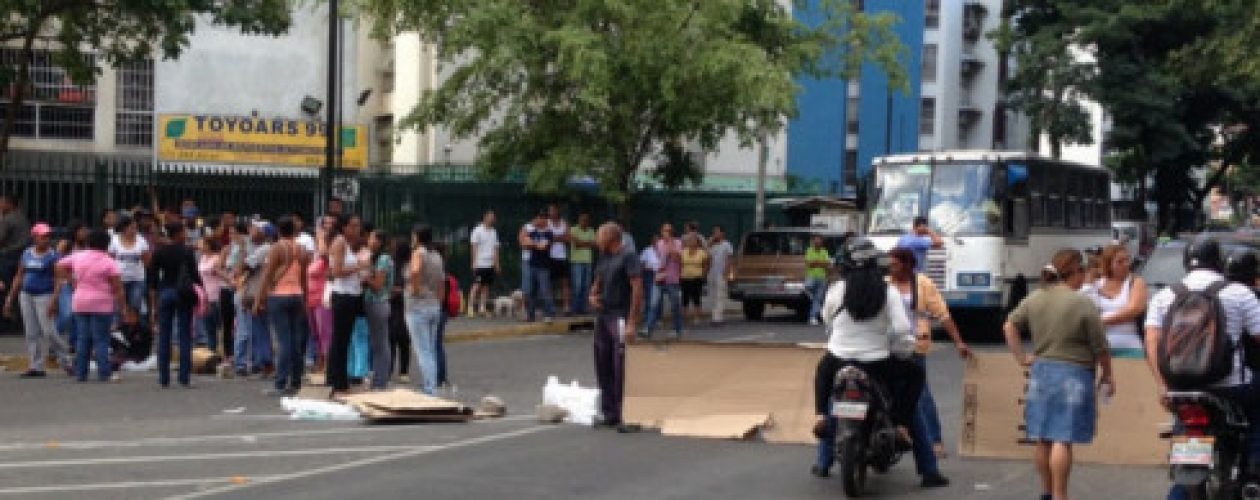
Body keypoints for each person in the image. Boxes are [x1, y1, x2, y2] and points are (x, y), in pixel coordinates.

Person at [1145, 237, 1260, 499]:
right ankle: (1254, 470)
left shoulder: (1164, 295)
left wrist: (1164, 385)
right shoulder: (1238, 293)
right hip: (1232, 386)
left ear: (1186, 263)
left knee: (1185, 435)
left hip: (1182, 388)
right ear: (1218, 262)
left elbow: (1152, 340)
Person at [1003, 248, 1113, 500]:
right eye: (1083, 271)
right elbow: (1100, 347)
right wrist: (1107, 375)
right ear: (1073, 271)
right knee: (1063, 438)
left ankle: (1047, 491)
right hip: (1074, 374)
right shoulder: (1082, 303)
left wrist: (1021, 357)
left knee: (1043, 437)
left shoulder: (1036, 298)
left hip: (1041, 372)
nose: (1084, 276)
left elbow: (1009, 325)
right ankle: (1061, 495)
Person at [812, 238, 925, 482]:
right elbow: (903, 328)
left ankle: (821, 416)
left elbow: (826, 318)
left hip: (838, 358)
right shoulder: (888, 292)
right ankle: (902, 426)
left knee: (822, 371)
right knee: (916, 374)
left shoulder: (836, 290)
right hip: (877, 363)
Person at [888, 247, 970, 483]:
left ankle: (935, 440)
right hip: (888, 347)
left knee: (921, 395)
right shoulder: (884, 284)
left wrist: (958, 342)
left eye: (894, 264)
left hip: (914, 346)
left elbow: (943, 315)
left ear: (906, 264)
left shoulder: (922, 284)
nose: (890, 268)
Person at [589, 222, 643, 431]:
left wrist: (632, 321)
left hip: (620, 316)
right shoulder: (603, 257)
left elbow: (637, 288)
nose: (596, 240)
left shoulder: (628, 256)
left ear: (611, 238)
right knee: (602, 362)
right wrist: (593, 295)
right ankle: (609, 412)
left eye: (599, 236)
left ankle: (627, 415)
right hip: (603, 316)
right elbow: (598, 282)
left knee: (621, 365)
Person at [54, 228, 125, 383]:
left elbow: (59, 265)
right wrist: (122, 306)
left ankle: (81, 372)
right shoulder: (109, 262)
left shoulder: (78, 256)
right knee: (101, 339)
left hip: (80, 301)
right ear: (106, 244)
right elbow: (118, 288)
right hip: (102, 303)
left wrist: (72, 279)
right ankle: (104, 372)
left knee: (82, 338)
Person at [255, 216, 311, 396]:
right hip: (297, 295)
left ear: (279, 230)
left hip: (279, 295)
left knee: (284, 341)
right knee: (295, 340)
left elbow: (268, 274)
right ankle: (295, 380)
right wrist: (305, 297)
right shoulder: (301, 249)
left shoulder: (277, 248)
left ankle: (280, 382)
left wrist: (259, 298)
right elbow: (303, 276)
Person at [5, 223, 70, 377]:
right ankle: (36, 365)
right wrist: (10, 298)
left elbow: (58, 279)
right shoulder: (27, 253)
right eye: (42, 236)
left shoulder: (53, 256)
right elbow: (19, 275)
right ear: (34, 237)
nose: (46, 239)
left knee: (48, 331)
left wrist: (54, 300)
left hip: (44, 295)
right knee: (31, 331)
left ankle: (66, 359)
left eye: (48, 236)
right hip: (26, 295)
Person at [149, 222, 203, 388]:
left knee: (164, 335)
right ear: (178, 233)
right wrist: (200, 291)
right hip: (183, 292)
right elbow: (194, 274)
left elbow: (151, 276)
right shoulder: (186, 251)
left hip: (165, 291)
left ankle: (163, 377)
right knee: (184, 334)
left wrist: (154, 299)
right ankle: (184, 377)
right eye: (183, 231)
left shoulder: (159, 251)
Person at [326, 215, 366, 397]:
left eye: (358, 226)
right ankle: (338, 382)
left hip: (350, 294)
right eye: (353, 226)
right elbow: (337, 272)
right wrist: (358, 266)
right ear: (344, 227)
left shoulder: (345, 244)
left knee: (343, 339)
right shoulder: (340, 242)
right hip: (343, 296)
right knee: (341, 340)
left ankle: (336, 378)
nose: (356, 230)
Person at [1086, 244, 1148, 359]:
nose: (1126, 264)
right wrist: (1089, 282)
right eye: (1120, 262)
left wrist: (1100, 321)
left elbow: (1134, 309)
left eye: (1127, 260)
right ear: (1109, 264)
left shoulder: (1135, 282)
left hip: (1130, 345)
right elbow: (1088, 309)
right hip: (1100, 346)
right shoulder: (1097, 284)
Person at [405, 224, 445, 395]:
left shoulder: (419, 252)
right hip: (433, 305)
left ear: (417, 237)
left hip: (418, 306)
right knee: (430, 348)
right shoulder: (436, 255)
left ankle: (430, 388)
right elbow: (442, 282)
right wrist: (439, 301)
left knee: (423, 351)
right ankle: (431, 384)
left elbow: (414, 272)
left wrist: (414, 290)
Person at [238, 221, 275, 378]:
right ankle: (264, 363)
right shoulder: (272, 248)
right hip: (266, 292)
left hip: (258, 293)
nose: (251, 231)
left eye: (256, 229)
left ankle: (266, 363)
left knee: (260, 330)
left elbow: (244, 266)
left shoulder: (265, 249)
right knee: (263, 330)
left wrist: (242, 251)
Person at [360, 228, 394, 391]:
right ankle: (378, 379)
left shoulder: (384, 259)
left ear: (379, 241)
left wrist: (365, 278)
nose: (369, 241)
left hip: (378, 304)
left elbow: (378, 286)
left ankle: (380, 381)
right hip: (374, 304)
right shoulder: (376, 258)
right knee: (376, 343)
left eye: (372, 238)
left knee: (381, 344)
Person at [109, 217, 151, 332]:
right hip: (119, 278)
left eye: (135, 227)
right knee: (118, 305)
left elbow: (147, 260)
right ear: (124, 228)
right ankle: (118, 328)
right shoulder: (115, 240)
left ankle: (135, 329)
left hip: (137, 278)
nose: (134, 230)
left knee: (135, 303)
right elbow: (110, 258)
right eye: (131, 227)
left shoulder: (141, 240)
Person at [305, 218, 336, 372]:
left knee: (325, 332)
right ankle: (320, 360)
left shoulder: (329, 252)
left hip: (323, 298)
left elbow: (325, 255)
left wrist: (321, 237)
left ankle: (327, 363)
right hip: (310, 298)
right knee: (315, 333)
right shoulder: (315, 254)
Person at [644, 223, 683, 339]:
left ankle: (678, 329)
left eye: (669, 231)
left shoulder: (678, 243)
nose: (666, 233)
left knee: (675, 305)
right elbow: (658, 259)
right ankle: (648, 329)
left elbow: (678, 259)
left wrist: (670, 245)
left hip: (672, 278)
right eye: (665, 231)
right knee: (653, 304)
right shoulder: (659, 244)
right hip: (660, 277)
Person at [520, 210, 556, 323]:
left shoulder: (549, 233)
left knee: (545, 290)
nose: (540, 220)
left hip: (543, 266)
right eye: (539, 217)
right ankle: (530, 315)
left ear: (546, 220)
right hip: (532, 265)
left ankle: (549, 314)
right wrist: (535, 244)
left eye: (543, 218)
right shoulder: (533, 232)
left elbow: (543, 247)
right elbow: (525, 244)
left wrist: (533, 244)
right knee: (531, 291)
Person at [467, 210, 500, 317]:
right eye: (490, 217)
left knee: (486, 287)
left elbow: (495, 248)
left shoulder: (494, 232)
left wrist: (497, 264)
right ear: (485, 217)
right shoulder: (477, 230)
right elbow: (474, 247)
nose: (492, 219)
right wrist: (474, 263)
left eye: (493, 217)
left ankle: (482, 308)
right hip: (479, 264)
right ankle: (470, 308)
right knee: (476, 285)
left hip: (490, 264)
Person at [0, 193, 31, 303]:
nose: (0, 205)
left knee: (5, 287)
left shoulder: (8, 219)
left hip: (9, 257)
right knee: (18, 286)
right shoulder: (22, 217)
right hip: (23, 256)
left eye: (2, 202)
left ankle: (6, 312)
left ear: (9, 204)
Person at [197, 238, 226, 353]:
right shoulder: (202, 258)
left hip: (216, 294)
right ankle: (212, 350)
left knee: (220, 324)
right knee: (208, 326)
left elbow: (219, 272)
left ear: (209, 245)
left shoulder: (217, 258)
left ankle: (224, 350)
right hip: (205, 296)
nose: (201, 246)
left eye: (203, 244)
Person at [389, 237, 412, 383]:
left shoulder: (404, 267)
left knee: (398, 338)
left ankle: (399, 370)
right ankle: (401, 371)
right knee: (398, 339)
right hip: (399, 304)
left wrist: (397, 290)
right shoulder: (400, 265)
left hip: (401, 304)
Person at [569, 213, 596, 316]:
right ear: (579, 221)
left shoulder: (591, 230)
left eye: (586, 220)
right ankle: (575, 308)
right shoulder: (573, 230)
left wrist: (583, 243)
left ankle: (584, 308)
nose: (584, 222)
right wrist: (587, 243)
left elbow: (595, 244)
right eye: (582, 220)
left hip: (588, 261)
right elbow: (577, 245)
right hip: (576, 261)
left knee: (587, 286)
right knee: (577, 286)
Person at [547, 204, 572, 314]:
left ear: (558, 211)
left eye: (553, 210)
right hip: (550, 256)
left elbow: (568, 238)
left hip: (562, 256)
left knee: (565, 283)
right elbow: (547, 237)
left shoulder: (564, 223)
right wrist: (560, 237)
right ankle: (551, 307)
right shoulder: (547, 223)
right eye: (550, 210)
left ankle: (566, 306)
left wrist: (554, 238)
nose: (551, 212)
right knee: (550, 283)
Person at [707, 226, 734, 326]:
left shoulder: (727, 245)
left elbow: (729, 259)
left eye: (717, 232)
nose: (715, 234)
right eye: (714, 232)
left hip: (721, 274)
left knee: (720, 295)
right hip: (711, 274)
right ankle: (714, 315)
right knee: (712, 295)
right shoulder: (712, 245)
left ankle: (718, 318)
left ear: (722, 233)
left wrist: (726, 272)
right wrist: (710, 242)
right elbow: (707, 256)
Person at [679, 234, 708, 327]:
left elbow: (707, 264)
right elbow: (680, 264)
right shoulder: (683, 252)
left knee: (696, 298)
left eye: (693, 240)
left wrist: (703, 275)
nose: (691, 242)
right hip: (685, 278)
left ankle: (697, 317)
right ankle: (684, 317)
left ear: (697, 242)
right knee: (685, 298)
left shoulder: (702, 252)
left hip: (697, 278)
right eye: (689, 240)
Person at [804, 235, 832, 326]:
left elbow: (827, 264)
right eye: (816, 241)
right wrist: (821, 263)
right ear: (813, 242)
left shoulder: (825, 251)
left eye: (819, 241)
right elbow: (810, 264)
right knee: (809, 286)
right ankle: (809, 293)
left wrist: (817, 262)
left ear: (822, 242)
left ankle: (813, 317)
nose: (817, 242)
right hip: (811, 276)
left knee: (818, 299)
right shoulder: (809, 250)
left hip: (822, 277)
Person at [638, 235, 661, 329]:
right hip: (649, 274)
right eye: (655, 241)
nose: (656, 243)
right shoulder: (647, 250)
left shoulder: (662, 250)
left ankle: (658, 318)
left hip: (660, 274)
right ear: (652, 242)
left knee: (658, 297)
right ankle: (648, 318)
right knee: (649, 296)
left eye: (658, 241)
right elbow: (641, 264)